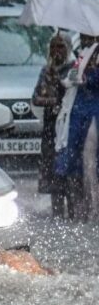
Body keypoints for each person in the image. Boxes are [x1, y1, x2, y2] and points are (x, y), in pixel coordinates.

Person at [56, 34, 99, 220]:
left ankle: (93, 205)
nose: (83, 37)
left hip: (93, 111)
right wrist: (72, 77)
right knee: (78, 158)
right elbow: (71, 77)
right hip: (78, 112)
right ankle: (83, 205)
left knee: (90, 158)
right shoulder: (83, 54)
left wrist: (89, 78)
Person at [32, 33, 72, 216]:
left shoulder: (73, 69)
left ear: (68, 49)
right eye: (53, 47)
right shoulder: (47, 70)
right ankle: (57, 214)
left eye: (61, 46)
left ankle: (73, 212)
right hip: (51, 126)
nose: (56, 51)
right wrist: (53, 100)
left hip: (68, 125)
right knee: (52, 168)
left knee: (68, 170)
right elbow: (36, 97)